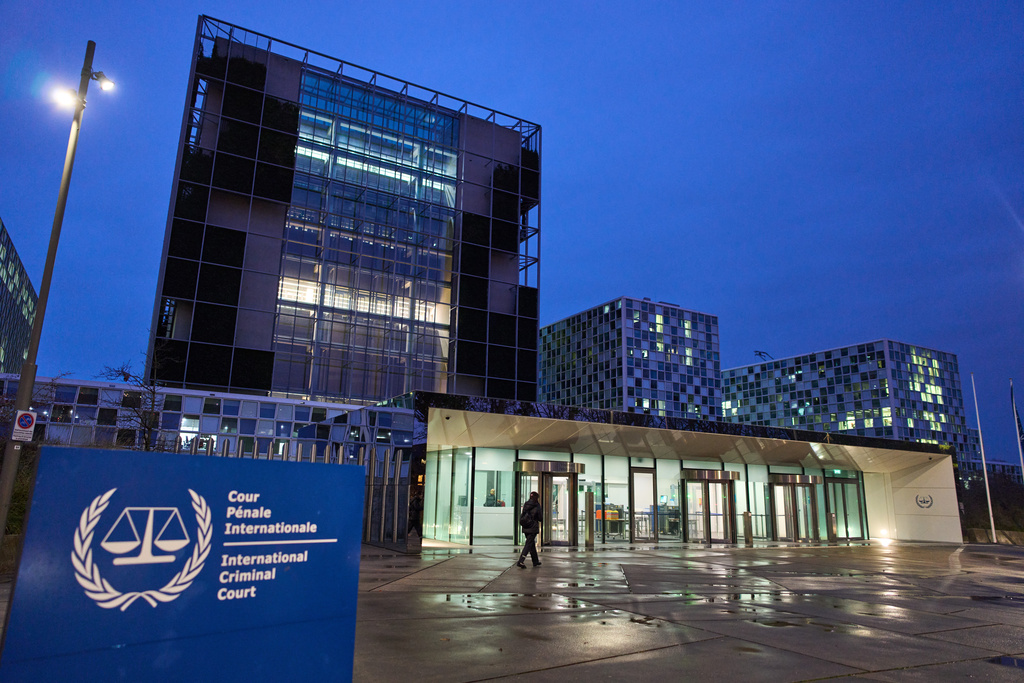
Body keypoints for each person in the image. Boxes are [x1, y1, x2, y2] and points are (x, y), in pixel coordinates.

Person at [516, 491, 542, 568]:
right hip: (532, 527)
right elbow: (540, 517)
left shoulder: (526, 504)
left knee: (531, 544)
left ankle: (535, 561)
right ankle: (521, 561)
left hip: (526, 527)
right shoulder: (537, 505)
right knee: (528, 544)